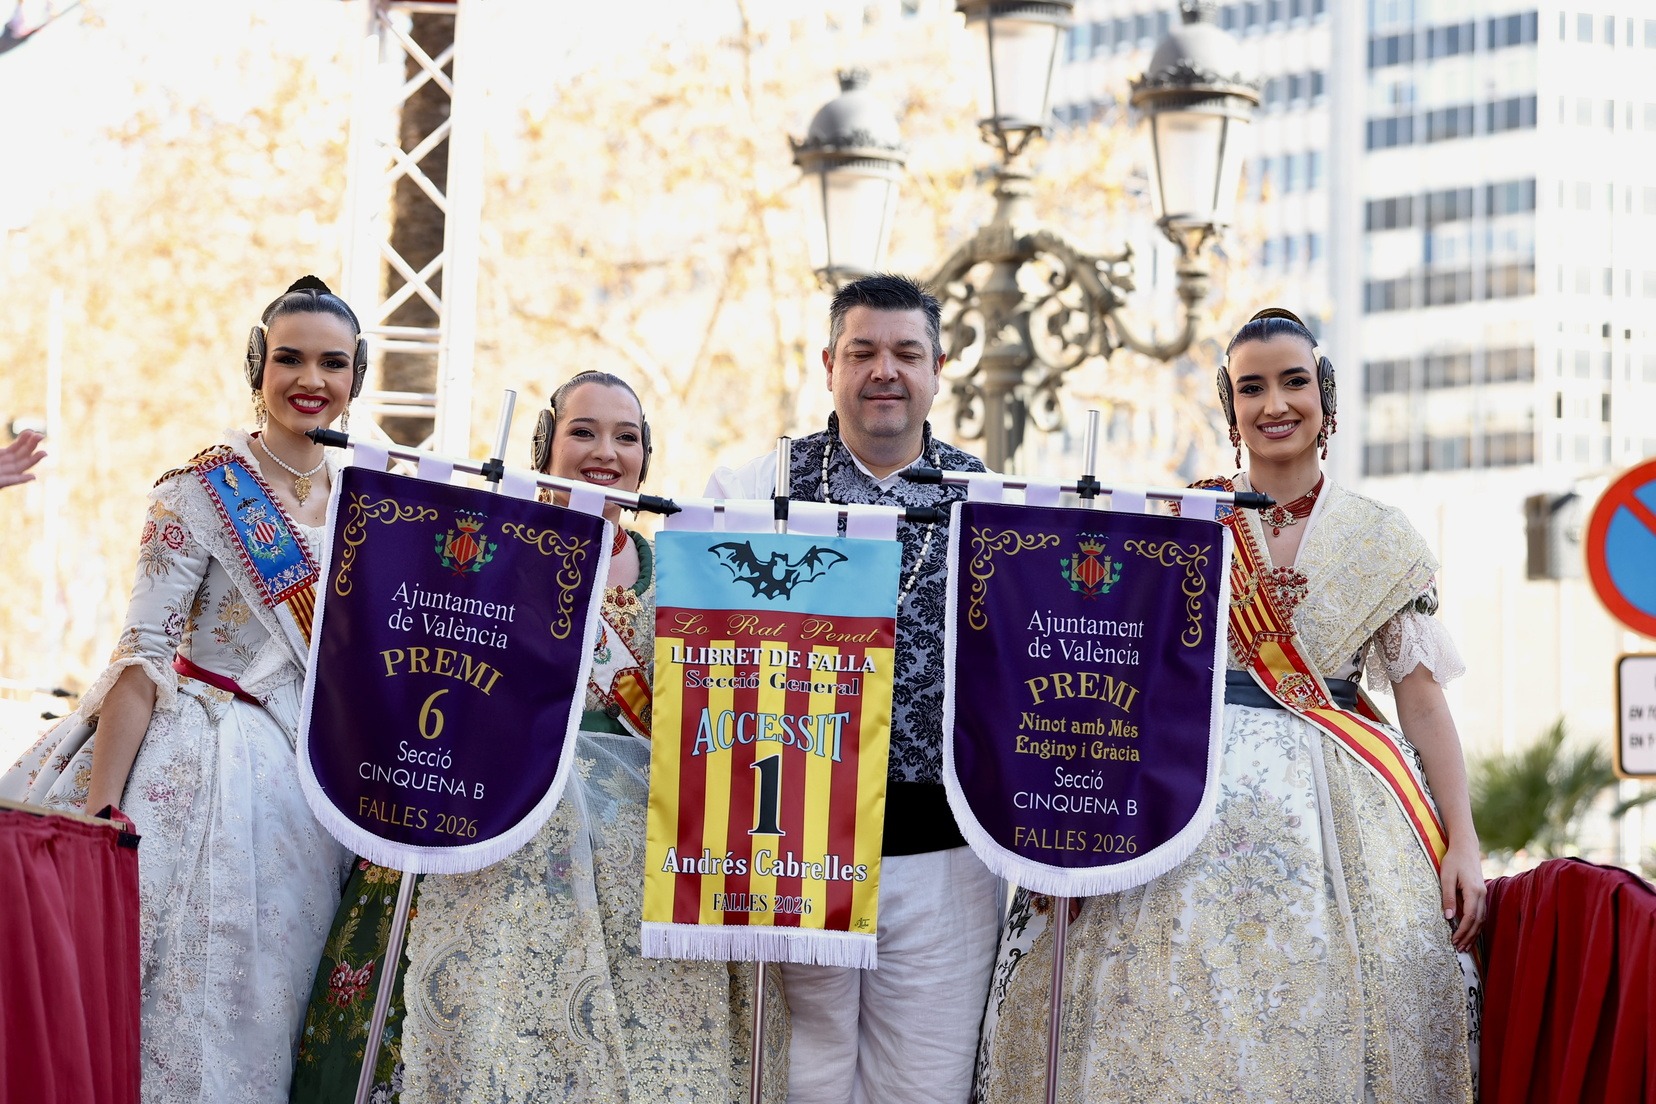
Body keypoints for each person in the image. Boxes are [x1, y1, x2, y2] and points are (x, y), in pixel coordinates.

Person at [974, 308, 1484, 1103]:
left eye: (1293, 382)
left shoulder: (1383, 539)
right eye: (1252, 388)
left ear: (1326, 400)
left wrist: (1464, 841)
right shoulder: (1178, 521)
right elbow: (1120, 682)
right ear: (1230, 408)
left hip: (1344, 815)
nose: (1275, 404)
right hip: (1175, 791)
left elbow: (1421, 707)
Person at [291, 371, 787, 1104]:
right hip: (504, 819)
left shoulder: (683, 572)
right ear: (545, 448)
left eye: (626, 437)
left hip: (647, 853)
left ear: (646, 457)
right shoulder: (496, 549)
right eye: (583, 432)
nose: (605, 452)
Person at [2, 277, 361, 1102]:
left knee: (273, 1013)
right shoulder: (201, 490)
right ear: (257, 366)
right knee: (171, 1005)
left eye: (333, 363)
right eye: (290, 359)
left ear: (356, 375)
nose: (311, 380)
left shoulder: (370, 504)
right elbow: (143, 655)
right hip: (198, 772)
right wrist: (103, 814)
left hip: (310, 794)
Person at [706, 273, 1003, 1104]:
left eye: (907, 353)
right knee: (797, 1080)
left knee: (925, 1085)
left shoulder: (989, 500)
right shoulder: (756, 487)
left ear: (938, 369)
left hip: (942, 852)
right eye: (863, 351)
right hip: (787, 842)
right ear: (828, 364)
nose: (885, 370)